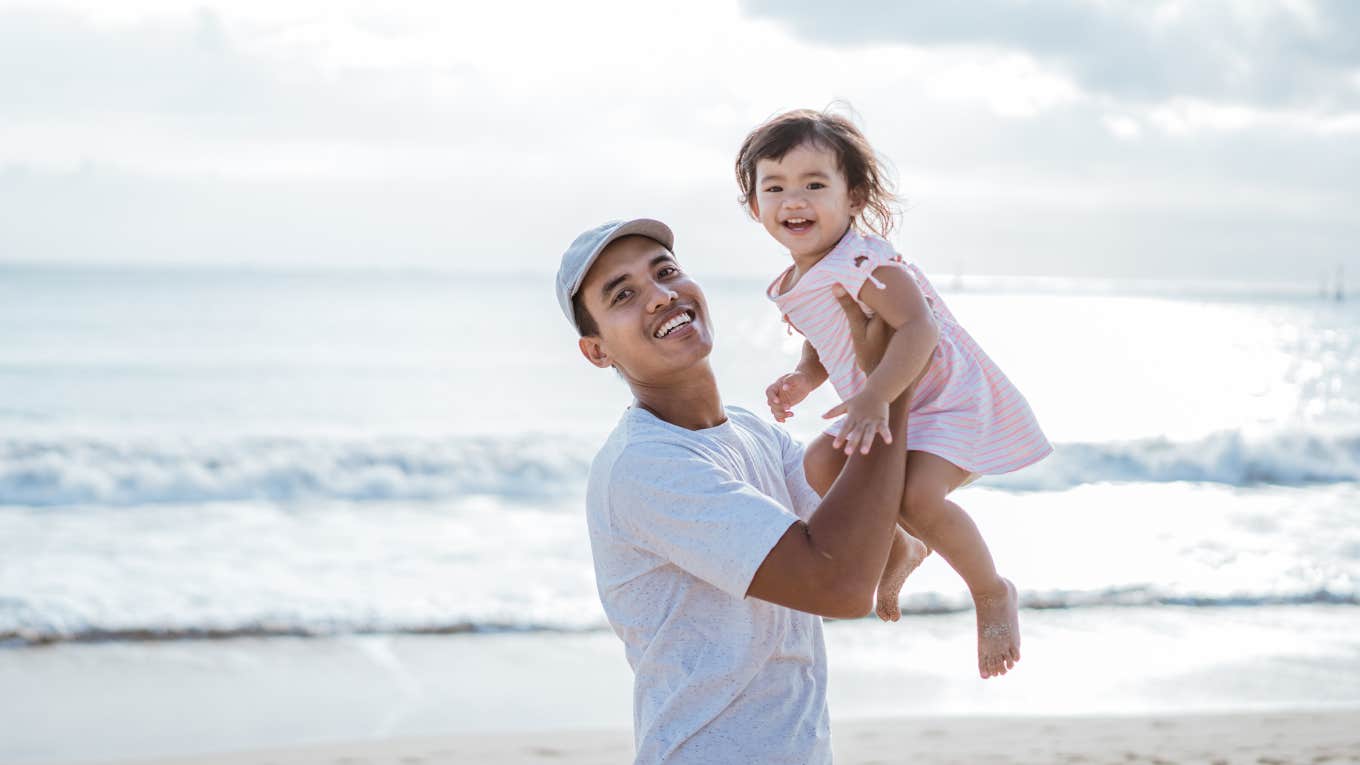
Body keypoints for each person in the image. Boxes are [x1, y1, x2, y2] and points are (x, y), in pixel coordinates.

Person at [557, 218, 914, 764]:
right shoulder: (648, 466)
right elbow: (841, 587)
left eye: (666, 272)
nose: (659, 296)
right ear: (597, 351)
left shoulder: (754, 432)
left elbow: (871, 539)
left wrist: (877, 372)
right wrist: (890, 389)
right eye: (623, 294)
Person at [735, 108, 1053, 679]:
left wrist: (877, 394)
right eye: (774, 187)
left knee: (918, 495)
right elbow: (827, 339)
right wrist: (805, 378)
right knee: (820, 465)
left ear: (853, 198)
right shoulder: (794, 281)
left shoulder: (863, 260)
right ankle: (903, 547)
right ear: (754, 204)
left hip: (943, 397)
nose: (793, 200)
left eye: (814, 184)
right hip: (881, 396)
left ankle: (990, 590)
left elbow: (918, 328)